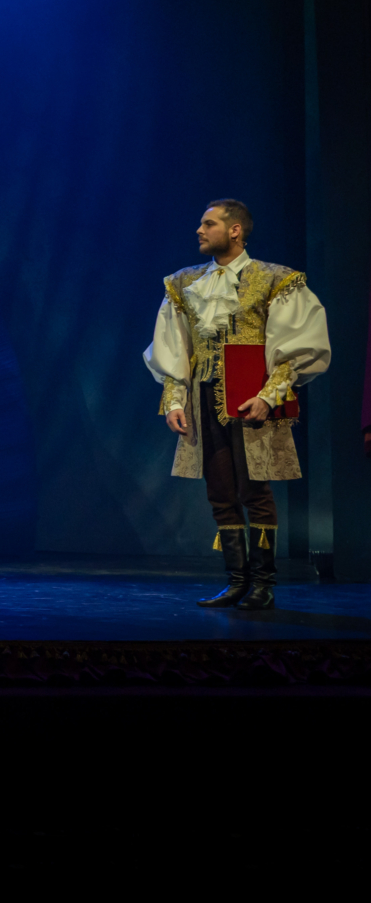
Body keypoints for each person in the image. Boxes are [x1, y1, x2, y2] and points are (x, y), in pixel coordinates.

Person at [144, 199, 329, 610]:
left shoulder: (276, 279)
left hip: (251, 397)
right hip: (205, 398)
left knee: (254, 489)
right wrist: (174, 400)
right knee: (220, 491)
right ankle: (236, 581)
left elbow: (296, 346)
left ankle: (263, 584)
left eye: (208, 223)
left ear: (235, 230)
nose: (199, 230)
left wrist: (269, 396)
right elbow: (174, 346)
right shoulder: (184, 282)